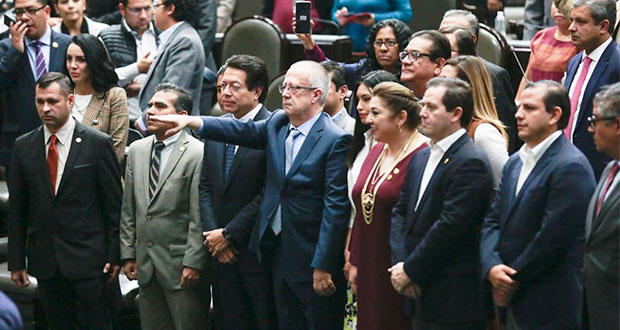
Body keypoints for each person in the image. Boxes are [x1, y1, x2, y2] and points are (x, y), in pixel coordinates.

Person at [150, 60, 352, 330]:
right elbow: (239, 130)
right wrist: (192, 121)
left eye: (295, 88)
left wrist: (324, 263)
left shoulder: (335, 138)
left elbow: (335, 207)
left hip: (309, 252)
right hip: (274, 250)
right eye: (284, 87)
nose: (286, 93)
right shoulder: (278, 123)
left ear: (317, 95)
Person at [7, 72, 123, 329]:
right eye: (39, 102)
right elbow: (18, 209)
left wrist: (116, 254)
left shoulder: (97, 144)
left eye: (52, 101)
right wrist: (16, 261)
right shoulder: (24, 146)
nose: (45, 108)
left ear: (70, 100)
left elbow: (114, 206)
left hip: (90, 260)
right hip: (46, 260)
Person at [480, 80, 596, 330]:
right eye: (519, 107)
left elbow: (553, 239)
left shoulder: (570, 166)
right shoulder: (515, 162)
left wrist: (509, 280)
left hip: (548, 301)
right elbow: (492, 219)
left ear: (555, 115)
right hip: (510, 294)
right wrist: (491, 265)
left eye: (529, 108)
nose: (518, 114)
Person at [389, 77, 493, 330]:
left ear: (456, 113)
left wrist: (411, 269)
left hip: (451, 297)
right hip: (416, 289)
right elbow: (400, 212)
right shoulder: (422, 156)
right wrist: (402, 265)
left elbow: (451, 226)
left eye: (431, 107)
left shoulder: (471, 162)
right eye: (422, 105)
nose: (422, 113)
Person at [120, 83, 210, 330]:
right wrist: (128, 253)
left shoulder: (198, 153)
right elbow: (129, 208)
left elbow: (198, 215)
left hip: (181, 266)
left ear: (181, 117)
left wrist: (193, 262)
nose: (150, 111)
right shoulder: (137, 149)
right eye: (150, 105)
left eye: (160, 106)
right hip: (146, 265)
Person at [200, 55, 278, 330]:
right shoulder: (217, 128)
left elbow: (269, 190)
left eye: (234, 86)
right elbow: (205, 186)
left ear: (256, 92)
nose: (225, 93)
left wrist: (229, 234)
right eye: (221, 87)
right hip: (219, 251)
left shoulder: (274, 129)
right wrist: (214, 236)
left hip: (256, 250)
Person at [348, 82, 427, 330]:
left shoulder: (422, 155)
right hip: (368, 262)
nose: (368, 119)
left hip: (399, 265)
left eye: (376, 113)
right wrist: (354, 259)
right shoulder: (376, 149)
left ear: (401, 117)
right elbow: (362, 209)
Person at [343, 69, 398, 330]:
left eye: (370, 101)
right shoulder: (364, 141)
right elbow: (357, 204)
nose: (363, 107)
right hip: (358, 241)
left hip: (382, 249)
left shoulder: (393, 146)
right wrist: (351, 250)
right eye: (360, 100)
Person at [0, 0, 71, 175]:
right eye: (18, 12)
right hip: (18, 140)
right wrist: (15, 51)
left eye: (31, 10)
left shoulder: (66, 44)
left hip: (62, 138)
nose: (24, 17)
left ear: (47, 11)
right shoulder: (5, 47)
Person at [440, 9, 519, 153]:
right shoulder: (433, 69)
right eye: (442, 32)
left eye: (455, 31)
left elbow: (507, 129)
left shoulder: (493, 75)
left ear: (471, 40)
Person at [564, 0, 619, 179]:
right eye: (571, 20)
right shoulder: (574, 62)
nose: (571, 27)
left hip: (601, 172)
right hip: (567, 167)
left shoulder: (618, 64)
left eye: (580, 22)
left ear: (603, 26)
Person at [134, 0, 206, 133]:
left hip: (176, 132)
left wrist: (144, 121)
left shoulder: (185, 41)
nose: (153, 12)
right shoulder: (176, 37)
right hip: (164, 128)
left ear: (170, 9)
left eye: (156, 6)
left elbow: (172, 90)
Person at [583, 82, 620, 330]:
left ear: (617, 125)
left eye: (595, 120)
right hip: (594, 305)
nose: (589, 128)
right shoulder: (609, 169)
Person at [440, 55, 509, 186]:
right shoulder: (442, 127)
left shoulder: (484, 132)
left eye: (447, 84)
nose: (438, 89)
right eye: (438, 81)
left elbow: (505, 185)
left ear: (469, 90)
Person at [66, 33, 129, 163]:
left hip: (98, 177)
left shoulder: (114, 96)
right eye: (69, 58)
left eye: (81, 59)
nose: (72, 65)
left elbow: (116, 151)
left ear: (94, 61)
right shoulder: (63, 94)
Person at [297, 18, 412, 87]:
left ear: (402, 46)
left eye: (390, 43)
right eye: (378, 42)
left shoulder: (411, 73)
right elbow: (332, 70)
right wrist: (309, 43)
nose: (383, 48)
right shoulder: (364, 68)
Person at [98, 0, 159, 125]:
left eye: (147, 8)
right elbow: (100, 80)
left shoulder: (163, 35)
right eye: (136, 10)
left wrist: (143, 87)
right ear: (122, 9)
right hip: (121, 117)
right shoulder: (108, 37)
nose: (143, 16)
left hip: (158, 117)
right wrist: (137, 68)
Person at [516, 1, 578, 99]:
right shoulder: (541, 36)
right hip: (533, 101)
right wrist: (518, 102)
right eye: (555, 4)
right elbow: (527, 77)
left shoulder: (579, 42)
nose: (558, 10)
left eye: (563, 4)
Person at [332, 0, 412, 52]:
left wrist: (375, 18)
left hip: (381, 47)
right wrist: (339, 18)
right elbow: (333, 14)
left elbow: (405, 14)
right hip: (346, 47)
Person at [399, 30, 451, 98]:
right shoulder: (399, 101)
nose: (405, 61)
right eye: (405, 54)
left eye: (415, 55)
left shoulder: (448, 104)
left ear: (439, 65)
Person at [321, 61, 355, 134]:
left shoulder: (354, 129)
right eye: (313, 87)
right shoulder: (303, 125)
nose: (316, 93)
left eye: (323, 87)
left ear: (343, 91)